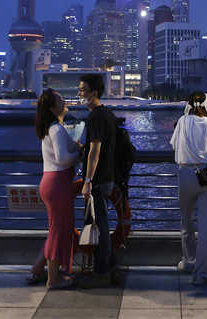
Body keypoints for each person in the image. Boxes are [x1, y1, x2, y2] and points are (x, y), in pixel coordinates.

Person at [170, 91, 207, 286]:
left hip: (185, 174)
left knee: (186, 221)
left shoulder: (182, 121)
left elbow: (174, 145)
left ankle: (189, 262)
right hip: (206, 176)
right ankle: (203, 273)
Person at [77, 74, 119, 288]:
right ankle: (109, 265)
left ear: (94, 92)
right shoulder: (107, 114)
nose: (79, 93)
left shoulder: (94, 117)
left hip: (98, 179)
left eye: (83, 90)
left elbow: (96, 149)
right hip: (108, 176)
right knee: (101, 223)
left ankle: (103, 270)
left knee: (99, 225)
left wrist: (88, 180)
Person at [34, 89, 78, 290]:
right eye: (60, 99)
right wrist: (79, 153)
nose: (64, 100)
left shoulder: (50, 128)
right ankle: (53, 279)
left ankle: (40, 268)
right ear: (53, 107)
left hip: (51, 182)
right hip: (58, 183)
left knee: (57, 230)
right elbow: (62, 159)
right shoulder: (57, 129)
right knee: (59, 232)